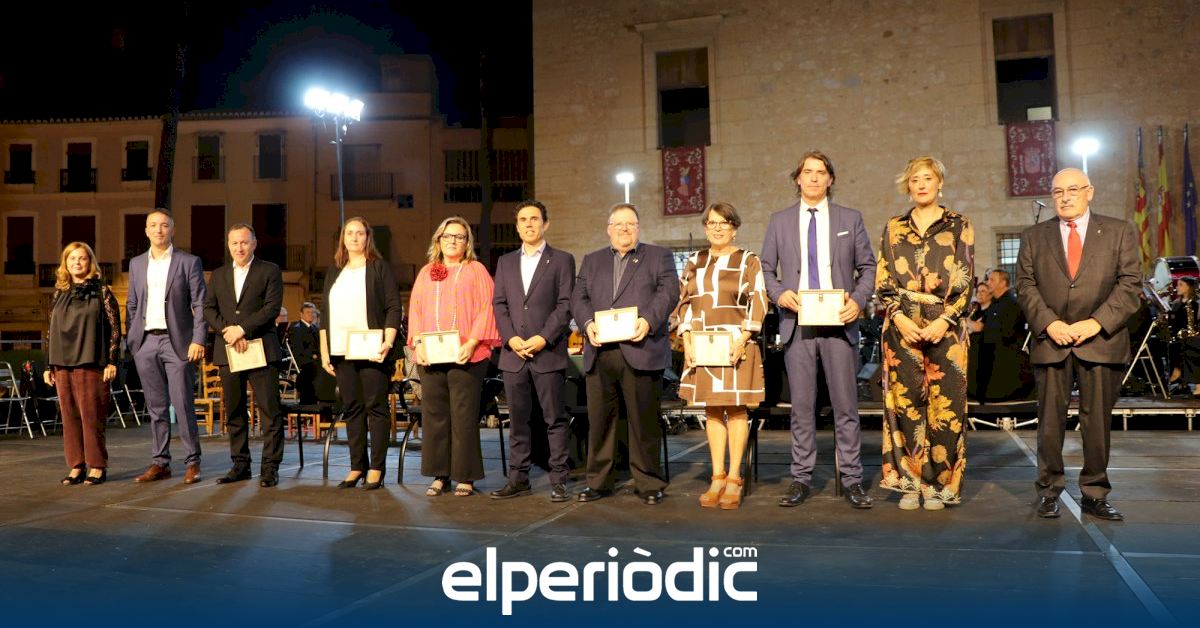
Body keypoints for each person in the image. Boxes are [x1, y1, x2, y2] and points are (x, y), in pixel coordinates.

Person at [1015, 167, 1141, 521]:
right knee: (1049, 423)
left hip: (1100, 340)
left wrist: (1095, 323)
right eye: (1058, 191)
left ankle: (1095, 493)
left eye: (1072, 189)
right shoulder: (1033, 236)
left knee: (1097, 422)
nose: (1065, 197)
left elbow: (1130, 284)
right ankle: (1048, 491)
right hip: (1051, 340)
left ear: (1090, 191)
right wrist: (1049, 323)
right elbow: (1024, 285)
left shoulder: (1119, 231)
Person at [761, 151, 876, 510]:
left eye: (820, 172)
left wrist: (858, 300)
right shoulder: (779, 221)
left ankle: (853, 480)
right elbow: (765, 269)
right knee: (801, 408)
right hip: (798, 323)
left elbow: (868, 267)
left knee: (846, 407)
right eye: (807, 172)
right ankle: (801, 478)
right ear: (798, 179)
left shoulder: (850, 218)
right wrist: (780, 294)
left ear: (830, 179)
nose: (813, 177)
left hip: (840, 322)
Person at [876, 156, 973, 511]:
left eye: (927, 178)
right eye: (915, 179)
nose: (921, 184)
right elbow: (884, 280)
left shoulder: (959, 224)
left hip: (945, 327)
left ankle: (938, 484)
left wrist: (944, 320)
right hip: (900, 327)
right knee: (905, 406)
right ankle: (910, 481)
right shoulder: (893, 227)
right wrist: (899, 318)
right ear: (908, 185)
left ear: (939, 183)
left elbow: (965, 279)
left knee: (946, 408)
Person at [571, 203, 680, 505]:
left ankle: (648, 483)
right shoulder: (592, 260)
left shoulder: (659, 256)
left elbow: (669, 292)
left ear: (638, 228)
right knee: (600, 422)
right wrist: (587, 323)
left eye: (630, 223)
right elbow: (578, 297)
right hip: (600, 352)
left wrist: (648, 321)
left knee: (643, 422)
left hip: (641, 349)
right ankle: (599, 482)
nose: (624, 228)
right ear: (609, 229)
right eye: (618, 223)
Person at [675, 202, 767, 510]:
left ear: (734, 228)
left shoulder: (748, 260)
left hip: (736, 344)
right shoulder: (694, 261)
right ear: (705, 228)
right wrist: (687, 339)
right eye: (711, 223)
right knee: (712, 409)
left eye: (723, 223)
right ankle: (717, 477)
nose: (717, 228)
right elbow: (684, 302)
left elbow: (759, 300)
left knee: (736, 410)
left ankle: (734, 478)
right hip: (702, 343)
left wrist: (743, 338)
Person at [407, 217, 500, 497]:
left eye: (459, 236)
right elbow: (415, 310)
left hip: (467, 354)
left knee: (463, 416)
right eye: (447, 236)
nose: (453, 241)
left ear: (467, 242)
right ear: (439, 240)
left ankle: (465, 476)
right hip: (431, 355)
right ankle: (440, 475)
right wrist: (418, 344)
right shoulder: (426, 272)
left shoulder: (476, 270)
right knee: (435, 416)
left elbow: (487, 308)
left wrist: (472, 342)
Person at [489, 201, 576, 502]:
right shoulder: (505, 262)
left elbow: (565, 305)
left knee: (555, 419)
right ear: (517, 227)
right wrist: (510, 338)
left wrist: (543, 338)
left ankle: (559, 479)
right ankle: (518, 479)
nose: (529, 224)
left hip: (547, 353)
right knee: (518, 421)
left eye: (535, 219)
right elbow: (499, 304)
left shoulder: (562, 260)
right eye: (523, 219)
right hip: (514, 355)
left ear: (545, 224)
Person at [319, 217, 403, 491]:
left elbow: (393, 306)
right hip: (341, 349)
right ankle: (357, 466)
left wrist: (388, 342)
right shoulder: (335, 271)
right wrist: (325, 351)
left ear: (368, 237)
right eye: (349, 233)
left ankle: (376, 468)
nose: (354, 237)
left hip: (371, 348)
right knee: (352, 408)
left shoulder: (378, 267)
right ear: (343, 238)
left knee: (375, 407)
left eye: (359, 233)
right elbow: (325, 314)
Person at [126, 209, 207, 484]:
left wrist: (198, 339)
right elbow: (132, 303)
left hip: (179, 343)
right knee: (156, 407)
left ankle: (192, 462)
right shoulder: (136, 264)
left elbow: (200, 304)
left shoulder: (189, 262)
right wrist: (133, 339)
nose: (158, 230)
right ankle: (160, 463)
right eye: (153, 225)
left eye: (164, 225)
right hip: (145, 342)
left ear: (172, 230)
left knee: (183, 404)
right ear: (146, 231)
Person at [202, 224, 286, 487]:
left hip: (261, 348)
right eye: (234, 243)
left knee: (270, 412)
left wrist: (241, 329)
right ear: (228, 245)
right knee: (234, 412)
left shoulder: (269, 270)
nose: (239, 248)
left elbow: (272, 308)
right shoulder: (218, 275)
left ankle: (270, 468)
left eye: (244, 242)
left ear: (254, 244)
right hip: (228, 350)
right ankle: (240, 465)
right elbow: (208, 308)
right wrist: (228, 331)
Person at [44, 242, 121, 486]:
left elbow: (115, 329)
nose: (77, 262)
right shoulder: (59, 293)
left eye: (82, 258)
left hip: (91, 362)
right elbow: (51, 331)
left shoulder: (102, 292)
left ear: (90, 262)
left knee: (91, 416)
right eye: (72, 258)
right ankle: (76, 465)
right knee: (69, 417)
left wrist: (112, 361)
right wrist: (48, 365)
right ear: (65, 263)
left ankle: (97, 465)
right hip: (61, 364)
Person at [968, 269, 1031, 402]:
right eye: (988, 279)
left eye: (992, 280)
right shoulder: (996, 303)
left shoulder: (1011, 303)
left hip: (1004, 359)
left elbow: (1005, 333)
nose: (988, 283)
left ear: (1003, 283)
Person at [289, 302, 321, 404]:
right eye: (308, 312)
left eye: (313, 312)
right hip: (304, 362)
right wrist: (313, 356)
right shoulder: (297, 329)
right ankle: (309, 404)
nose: (311, 315)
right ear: (301, 314)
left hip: (315, 360)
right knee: (312, 370)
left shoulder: (315, 328)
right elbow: (298, 350)